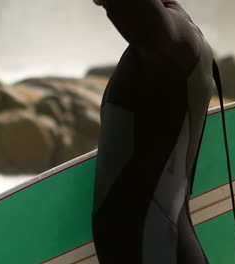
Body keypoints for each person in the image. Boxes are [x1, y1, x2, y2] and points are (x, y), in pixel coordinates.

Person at [91, 0, 215, 263]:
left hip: (152, 250)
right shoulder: (180, 34)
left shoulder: (170, 43)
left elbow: (135, 13)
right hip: (162, 242)